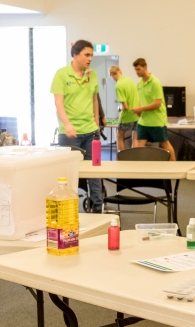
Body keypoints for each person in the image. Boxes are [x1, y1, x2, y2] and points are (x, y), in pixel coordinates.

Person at [50, 39, 103, 213]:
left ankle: (98, 206)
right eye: (87, 55)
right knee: (68, 173)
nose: (90, 59)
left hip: (90, 131)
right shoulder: (62, 75)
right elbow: (58, 103)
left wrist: (96, 123)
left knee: (95, 171)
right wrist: (68, 124)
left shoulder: (91, 74)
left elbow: (95, 99)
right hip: (69, 133)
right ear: (75, 54)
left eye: (91, 55)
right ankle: (67, 208)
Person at [132, 58, 176, 160]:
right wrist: (138, 110)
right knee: (138, 144)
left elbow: (157, 103)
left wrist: (141, 109)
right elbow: (141, 100)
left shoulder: (155, 82)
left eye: (138, 69)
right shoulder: (139, 84)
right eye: (135, 70)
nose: (136, 72)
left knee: (165, 145)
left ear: (145, 67)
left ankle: (174, 167)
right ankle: (138, 171)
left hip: (157, 121)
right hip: (144, 121)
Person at [109, 66, 139, 150]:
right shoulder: (129, 80)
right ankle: (134, 158)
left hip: (126, 116)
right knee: (135, 138)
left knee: (119, 136)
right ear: (120, 72)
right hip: (136, 114)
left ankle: (121, 159)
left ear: (112, 74)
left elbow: (125, 107)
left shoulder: (118, 86)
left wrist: (119, 108)